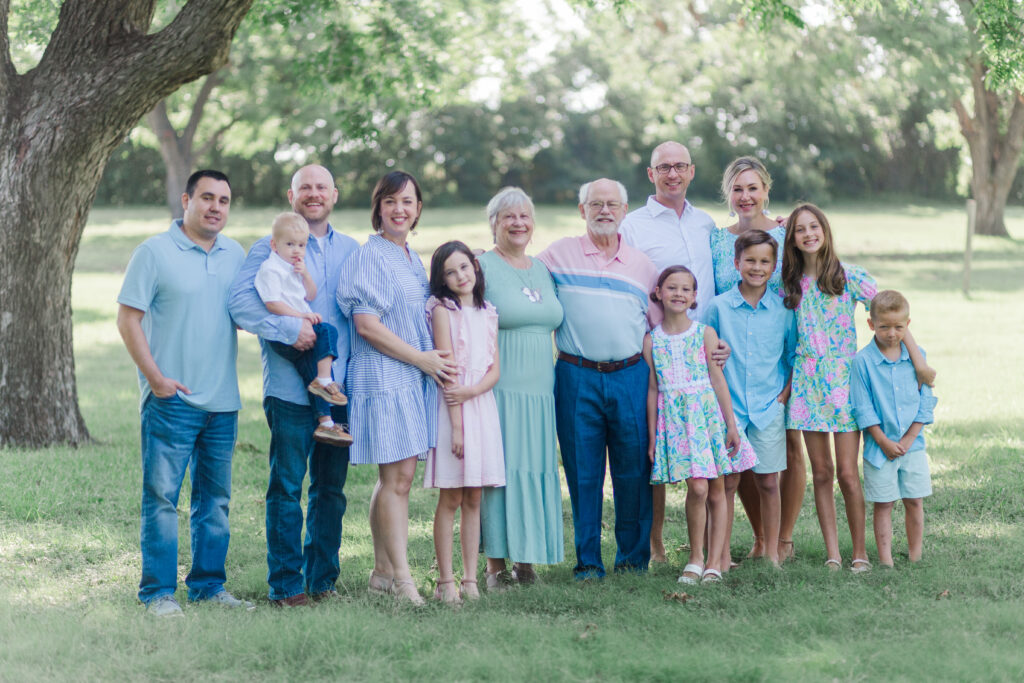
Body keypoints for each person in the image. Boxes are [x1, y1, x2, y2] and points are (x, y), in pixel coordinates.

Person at [117, 169, 250, 616]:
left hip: (223, 402)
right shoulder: (153, 252)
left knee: (215, 502)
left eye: (224, 201)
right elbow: (128, 318)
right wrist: (156, 380)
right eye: (207, 198)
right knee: (161, 500)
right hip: (170, 401)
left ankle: (209, 587)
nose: (216, 207)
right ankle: (157, 593)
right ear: (186, 199)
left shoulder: (236, 254)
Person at [228, 164, 358, 607]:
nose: (314, 194)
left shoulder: (352, 251)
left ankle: (323, 581)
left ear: (335, 194)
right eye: (306, 187)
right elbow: (241, 304)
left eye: (322, 187)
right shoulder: (267, 249)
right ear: (292, 195)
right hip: (287, 391)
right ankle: (286, 587)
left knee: (330, 490)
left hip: (338, 392)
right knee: (286, 487)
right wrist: (289, 332)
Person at [782, 203, 934, 572]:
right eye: (799, 229)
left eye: (813, 226)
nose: (808, 234)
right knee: (821, 473)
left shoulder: (848, 276)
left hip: (844, 382)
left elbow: (888, 314)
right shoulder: (786, 281)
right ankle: (833, 552)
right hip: (808, 384)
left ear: (825, 230)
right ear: (792, 238)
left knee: (848, 474)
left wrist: (918, 361)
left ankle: (860, 551)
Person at [337, 170, 456, 605]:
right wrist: (422, 359)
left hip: (408, 377)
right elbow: (367, 327)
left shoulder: (408, 256)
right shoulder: (372, 257)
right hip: (384, 375)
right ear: (378, 209)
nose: (399, 209)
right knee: (398, 479)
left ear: (418, 209)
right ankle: (403, 580)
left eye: (408, 202)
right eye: (390, 202)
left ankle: (383, 572)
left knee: (396, 478)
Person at [538, 178, 658, 579]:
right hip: (576, 374)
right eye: (595, 204)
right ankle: (588, 562)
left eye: (612, 204)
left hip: (630, 375)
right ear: (582, 210)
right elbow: (520, 276)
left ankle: (632, 560)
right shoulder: (557, 255)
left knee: (633, 471)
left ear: (625, 211)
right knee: (582, 472)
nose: (604, 211)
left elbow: (659, 325)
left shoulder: (643, 265)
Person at [619, 141, 722, 563]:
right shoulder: (635, 224)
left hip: (703, 348)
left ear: (692, 171)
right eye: (664, 167)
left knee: (708, 446)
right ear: (651, 174)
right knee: (657, 440)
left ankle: (713, 548)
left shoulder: (706, 223)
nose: (673, 174)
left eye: (680, 166)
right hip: (655, 347)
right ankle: (656, 541)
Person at [710, 156, 804, 564]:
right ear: (728, 194)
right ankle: (757, 538)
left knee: (784, 450)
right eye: (737, 189)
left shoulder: (786, 234)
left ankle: (781, 539)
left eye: (753, 188)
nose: (746, 196)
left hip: (775, 349)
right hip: (733, 355)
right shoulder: (716, 240)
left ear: (766, 190)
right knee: (739, 461)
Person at [644, 265, 758, 584]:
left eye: (685, 289)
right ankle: (694, 558)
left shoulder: (704, 333)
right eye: (671, 287)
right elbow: (653, 389)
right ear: (658, 293)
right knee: (697, 486)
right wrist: (653, 436)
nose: (678, 294)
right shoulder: (652, 341)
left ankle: (713, 562)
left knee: (717, 488)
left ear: (695, 297)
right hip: (676, 423)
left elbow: (718, 381)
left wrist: (731, 426)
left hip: (707, 418)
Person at [478, 187, 565, 590]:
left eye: (525, 216)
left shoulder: (542, 269)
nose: (518, 223)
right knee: (501, 474)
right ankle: (495, 566)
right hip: (500, 389)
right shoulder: (480, 267)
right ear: (493, 222)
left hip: (540, 393)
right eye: (508, 216)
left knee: (535, 470)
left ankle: (527, 561)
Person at [424, 241, 505, 603]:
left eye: (464, 267)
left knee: (475, 495)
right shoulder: (444, 311)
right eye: (450, 272)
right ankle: (445, 581)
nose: (460, 276)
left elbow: (494, 370)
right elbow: (449, 371)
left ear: (475, 266)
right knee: (452, 495)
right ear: (442, 280)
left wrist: (474, 393)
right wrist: (457, 426)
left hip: (480, 404)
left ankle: (471, 579)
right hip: (452, 408)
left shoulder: (489, 311)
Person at [851, 290, 936, 567]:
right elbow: (862, 407)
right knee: (884, 503)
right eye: (884, 326)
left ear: (907, 325)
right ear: (871, 324)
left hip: (914, 446)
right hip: (879, 449)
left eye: (898, 327)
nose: (891, 333)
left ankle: (915, 556)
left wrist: (911, 436)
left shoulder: (916, 357)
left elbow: (927, 399)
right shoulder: (862, 362)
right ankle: (886, 561)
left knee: (914, 500)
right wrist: (883, 440)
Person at [254, 211, 351, 446]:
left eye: (301, 245)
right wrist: (303, 316)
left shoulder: (292, 267)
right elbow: (272, 303)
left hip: (299, 327)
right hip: (285, 334)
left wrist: (306, 274)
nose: (296, 250)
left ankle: (326, 423)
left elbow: (310, 294)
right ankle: (325, 380)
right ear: (274, 245)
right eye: (290, 244)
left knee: (311, 370)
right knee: (328, 331)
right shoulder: (271, 269)